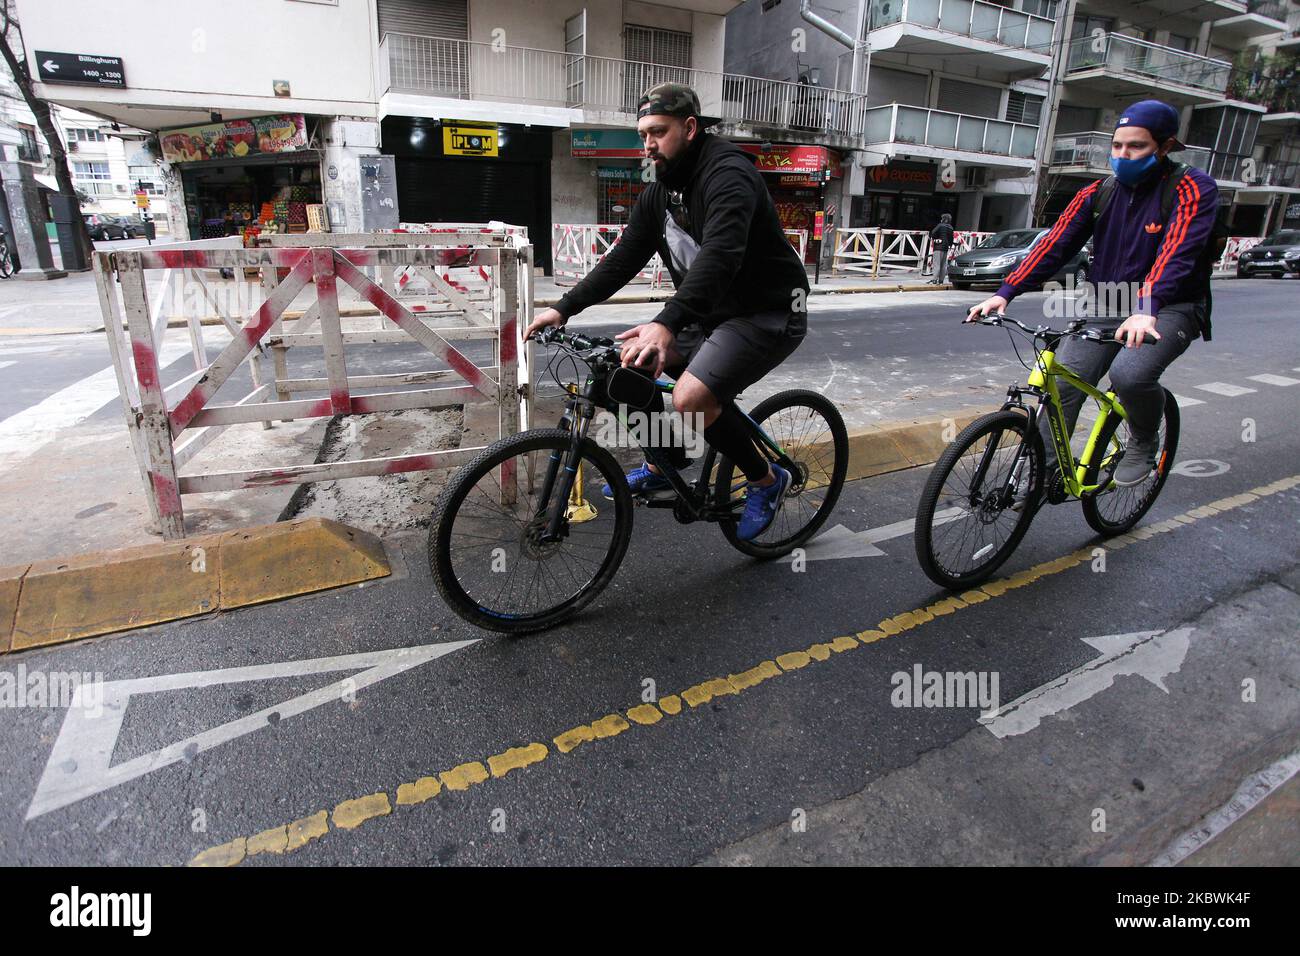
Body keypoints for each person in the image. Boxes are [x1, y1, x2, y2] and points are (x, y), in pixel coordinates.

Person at [526, 83, 809, 541]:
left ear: (690, 127)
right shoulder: (659, 192)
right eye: (643, 134)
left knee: (692, 398)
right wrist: (563, 308)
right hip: (708, 315)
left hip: (767, 312)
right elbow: (622, 258)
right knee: (620, 370)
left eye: (658, 131)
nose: (648, 144)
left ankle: (766, 479)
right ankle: (668, 461)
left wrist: (665, 323)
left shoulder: (727, 174)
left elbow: (722, 255)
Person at [965, 99, 1219, 503]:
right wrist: (1005, 291)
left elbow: (1177, 251)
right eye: (1117, 146)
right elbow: (1055, 244)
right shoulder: (1098, 192)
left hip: (1170, 305)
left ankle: (1143, 438)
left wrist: (1146, 308)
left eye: (1136, 147)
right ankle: (1044, 472)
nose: (1123, 155)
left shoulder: (1192, 188)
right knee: (1061, 386)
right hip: (1105, 300)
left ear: (1165, 146)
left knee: (1130, 376)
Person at [928, 213, 954, 284]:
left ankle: (934, 279)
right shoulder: (951, 227)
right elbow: (951, 238)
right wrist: (950, 245)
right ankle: (941, 280)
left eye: (942, 218)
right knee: (943, 265)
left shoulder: (940, 225)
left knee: (937, 264)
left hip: (938, 247)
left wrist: (935, 238)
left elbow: (933, 233)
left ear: (944, 219)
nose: (941, 219)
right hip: (945, 247)